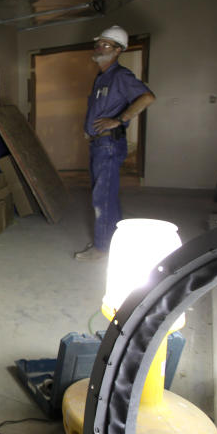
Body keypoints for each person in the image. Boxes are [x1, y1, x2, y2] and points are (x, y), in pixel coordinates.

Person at [74, 25, 155, 261]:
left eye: (106, 44)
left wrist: (119, 120)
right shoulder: (102, 77)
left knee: (103, 198)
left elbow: (147, 97)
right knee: (106, 195)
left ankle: (102, 249)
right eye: (99, 43)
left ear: (118, 50)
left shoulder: (120, 75)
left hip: (108, 145)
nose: (100, 47)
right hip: (99, 144)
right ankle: (112, 241)